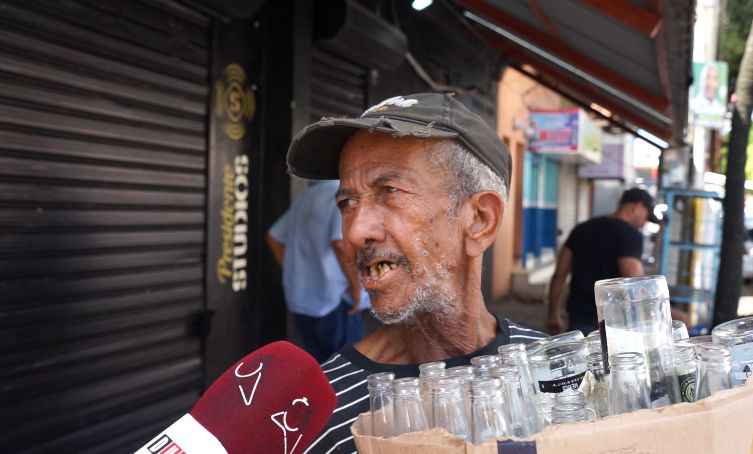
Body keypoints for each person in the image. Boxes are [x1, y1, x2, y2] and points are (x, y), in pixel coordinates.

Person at [285, 93, 548, 453]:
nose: (356, 231)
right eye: (347, 203)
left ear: (480, 220)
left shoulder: (555, 375)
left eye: (389, 191)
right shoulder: (318, 416)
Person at [545, 188, 690, 335]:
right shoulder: (630, 235)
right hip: (612, 323)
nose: (643, 224)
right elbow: (636, 284)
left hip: (578, 318)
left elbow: (559, 275)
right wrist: (671, 313)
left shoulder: (581, 229)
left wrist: (553, 314)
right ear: (637, 207)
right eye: (646, 217)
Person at [266, 179, 368, 363]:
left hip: (303, 302)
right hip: (335, 300)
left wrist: (294, 273)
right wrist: (356, 287)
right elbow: (338, 242)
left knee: (321, 372)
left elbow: (273, 238)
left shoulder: (306, 196)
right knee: (350, 371)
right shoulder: (342, 194)